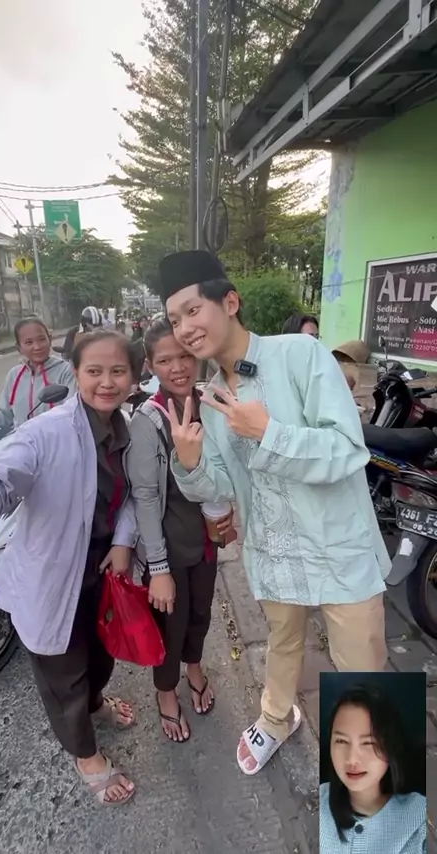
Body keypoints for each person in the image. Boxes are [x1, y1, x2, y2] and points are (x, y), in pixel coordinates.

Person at [157, 249, 390, 776]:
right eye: (174, 320)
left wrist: (269, 432)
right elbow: (224, 484)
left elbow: (347, 449)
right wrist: (190, 464)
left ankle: (370, 773)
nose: (184, 328)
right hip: (273, 552)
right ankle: (275, 717)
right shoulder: (212, 396)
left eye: (193, 310)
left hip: (338, 550)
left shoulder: (301, 355)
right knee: (282, 644)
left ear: (230, 302)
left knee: (362, 668)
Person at [0, 330, 140, 806]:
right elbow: (0, 477)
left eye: (117, 371)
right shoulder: (47, 431)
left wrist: (123, 541)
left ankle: (96, 704)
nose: (106, 382)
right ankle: (86, 756)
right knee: (65, 676)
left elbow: (134, 496)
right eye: (94, 371)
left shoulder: (127, 428)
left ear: (133, 377)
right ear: (75, 374)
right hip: (53, 578)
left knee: (100, 656)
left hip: (102, 572)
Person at [127, 318, 232, 743]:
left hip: (206, 542)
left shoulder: (211, 404)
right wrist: (158, 569)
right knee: (170, 626)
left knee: (200, 615)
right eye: (165, 360)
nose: (178, 367)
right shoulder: (148, 420)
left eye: (185, 356)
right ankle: (166, 691)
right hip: (168, 549)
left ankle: (195, 668)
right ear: (150, 365)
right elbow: (145, 497)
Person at [320, 684, 427, 852]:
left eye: (368, 743)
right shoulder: (316, 800)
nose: (352, 759)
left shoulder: (419, 817)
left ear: (391, 745)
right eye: (341, 741)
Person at [0, 318, 76, 432]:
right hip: (22, 440)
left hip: (55, 439)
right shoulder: (14, 375)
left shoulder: (66, 371)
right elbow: (4, 415)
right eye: (29, 342)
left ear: (49, 339)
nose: (37, 347)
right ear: (19, 348)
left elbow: (72, 411)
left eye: (42, 339)